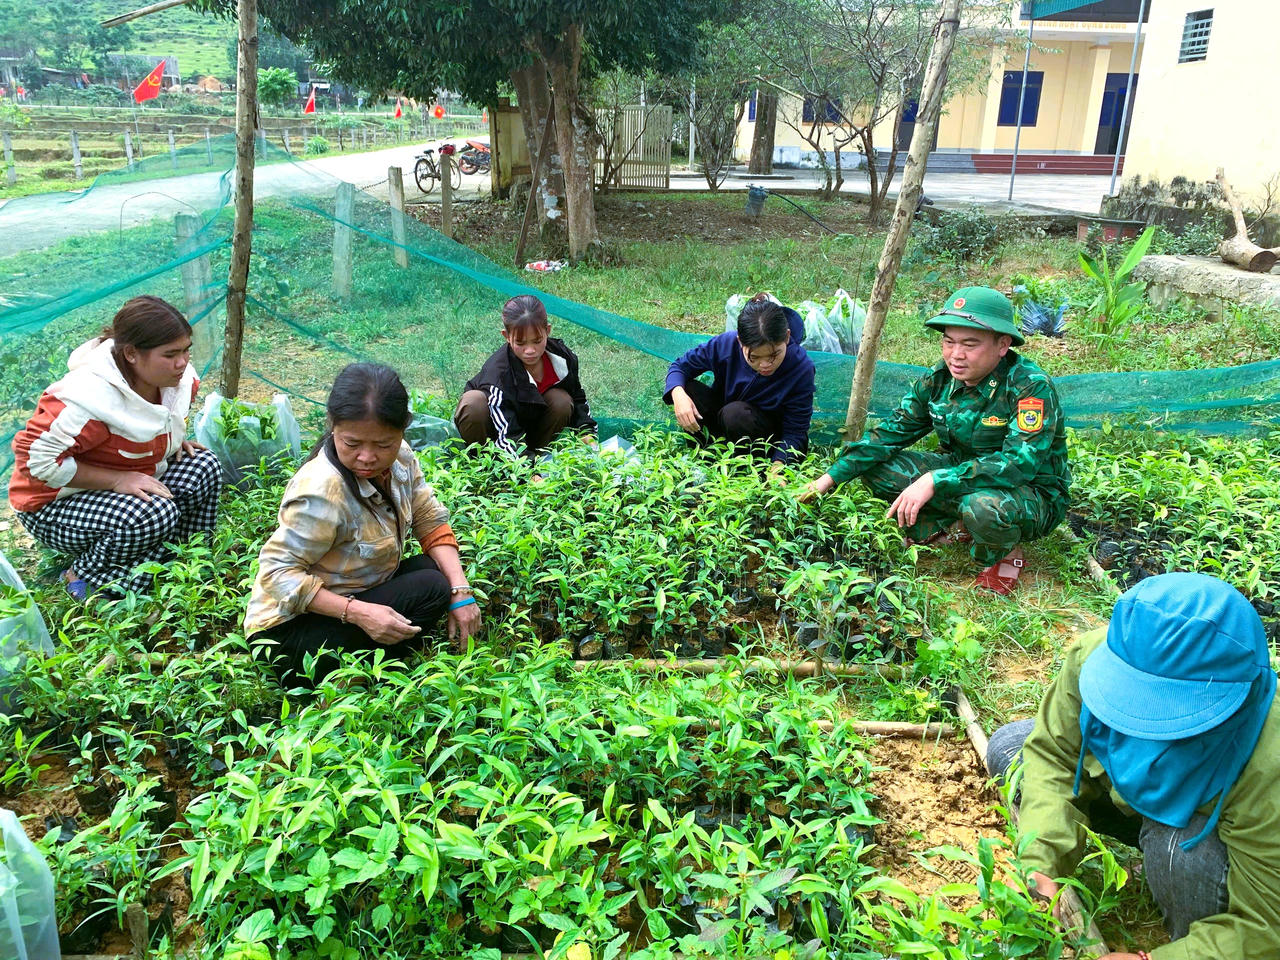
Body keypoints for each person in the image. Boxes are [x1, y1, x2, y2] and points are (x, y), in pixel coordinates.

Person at [986, 573, 1280, 960]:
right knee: (1010, 747)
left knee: (1178, 854)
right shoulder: (1097, 657)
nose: (1145, 732)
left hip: (1198, 824)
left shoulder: (1269, 758)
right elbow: (1054, 754)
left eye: (1169, 717)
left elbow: (1266, 924)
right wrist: (1041, 861)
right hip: (1124, 797)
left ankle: (1188, 924)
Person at [799, 286, 1069, 594]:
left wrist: (935, 480)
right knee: (876, 467)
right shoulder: (939, 379)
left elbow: (1019, 464)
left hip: (1031, 491)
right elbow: (890, 433)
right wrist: (828, 479)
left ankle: (1005, 553)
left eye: (970, 344)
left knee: (983, 506)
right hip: (963, 472)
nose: (956, 354)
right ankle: (954, 526)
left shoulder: (1030, 387)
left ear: (1002, 344)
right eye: (949, 342)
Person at [246, 363, 481, 684]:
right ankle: (351, 678)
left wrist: (461, 591)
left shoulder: (400, 458)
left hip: (352, 592)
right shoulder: (321, 491)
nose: (368, 457)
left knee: (435, 573)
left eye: (383, 444)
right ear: (333, 427)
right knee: (430, 587)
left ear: (402, 430)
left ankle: (369, 658)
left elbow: (428, 517)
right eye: (353, 444)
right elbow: (277, 574)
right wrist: (359, 613)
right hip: (285, 634)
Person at [9, 295, 220, 600]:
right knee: (152, 513)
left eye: (186, 350)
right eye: (170, 354)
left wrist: (171, 438)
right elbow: (35, 462)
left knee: (203, 465)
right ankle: (85, 575)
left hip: (127, 479)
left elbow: (160, 418)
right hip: (54, 505)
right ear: (131, 354)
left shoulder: (177, 380)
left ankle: (183, 559)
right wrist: (118, 479)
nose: (182, 362)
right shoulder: (87, 400)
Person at [663, 293, 815, 466]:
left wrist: (778, 465)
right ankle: (706, 459)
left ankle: (747, 467)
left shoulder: (800, 367)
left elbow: (796, 431)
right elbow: (680, 367)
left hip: (764, 439)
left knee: (735, 414)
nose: (765, 365)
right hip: (723, 423)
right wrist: (678, 395)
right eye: (754, 357)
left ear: (787, 337)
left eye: (773, 356)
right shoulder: (725, 344)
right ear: (740, 341)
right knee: (687, 389)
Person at [454, 295, 596, 456]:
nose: (530, 350)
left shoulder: (562, 358)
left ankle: (539, 456)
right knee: (473, 402)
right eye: (520, 343)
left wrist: (587, 433)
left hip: (529, 427)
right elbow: (507, 430)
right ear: (507, 337)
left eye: (537, 341)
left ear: (547, 331)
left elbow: (577, 398)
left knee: (561, 400)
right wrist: (523, 465)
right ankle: (483, 461)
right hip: (494, 431)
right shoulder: (499, 374)